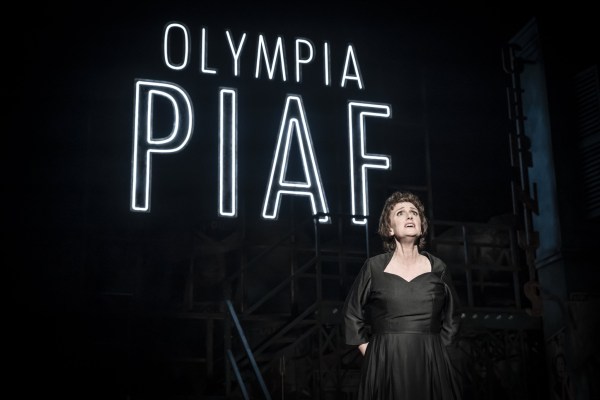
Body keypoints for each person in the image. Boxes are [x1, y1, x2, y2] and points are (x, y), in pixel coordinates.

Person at [342, 191, 463, 399]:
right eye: (400, 213)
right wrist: (371, 353)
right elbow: (351, 314)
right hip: (385, 359)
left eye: (414, 212)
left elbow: (453, 317)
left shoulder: (438, 268)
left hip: (430, 360)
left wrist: (438, 352)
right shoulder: (374, 267)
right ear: (389, 228)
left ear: (421, 226)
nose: (409, 216)